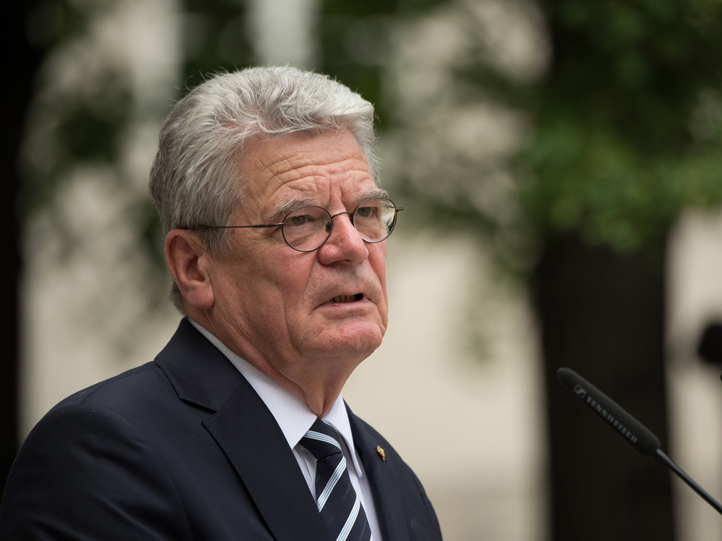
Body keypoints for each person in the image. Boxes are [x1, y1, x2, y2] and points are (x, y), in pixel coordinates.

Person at [0, 66, 443, 541]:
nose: (353, 246)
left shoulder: (394, 482)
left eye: (366, 213)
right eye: (301, 221)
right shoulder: (105, 453)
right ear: (194, 266)